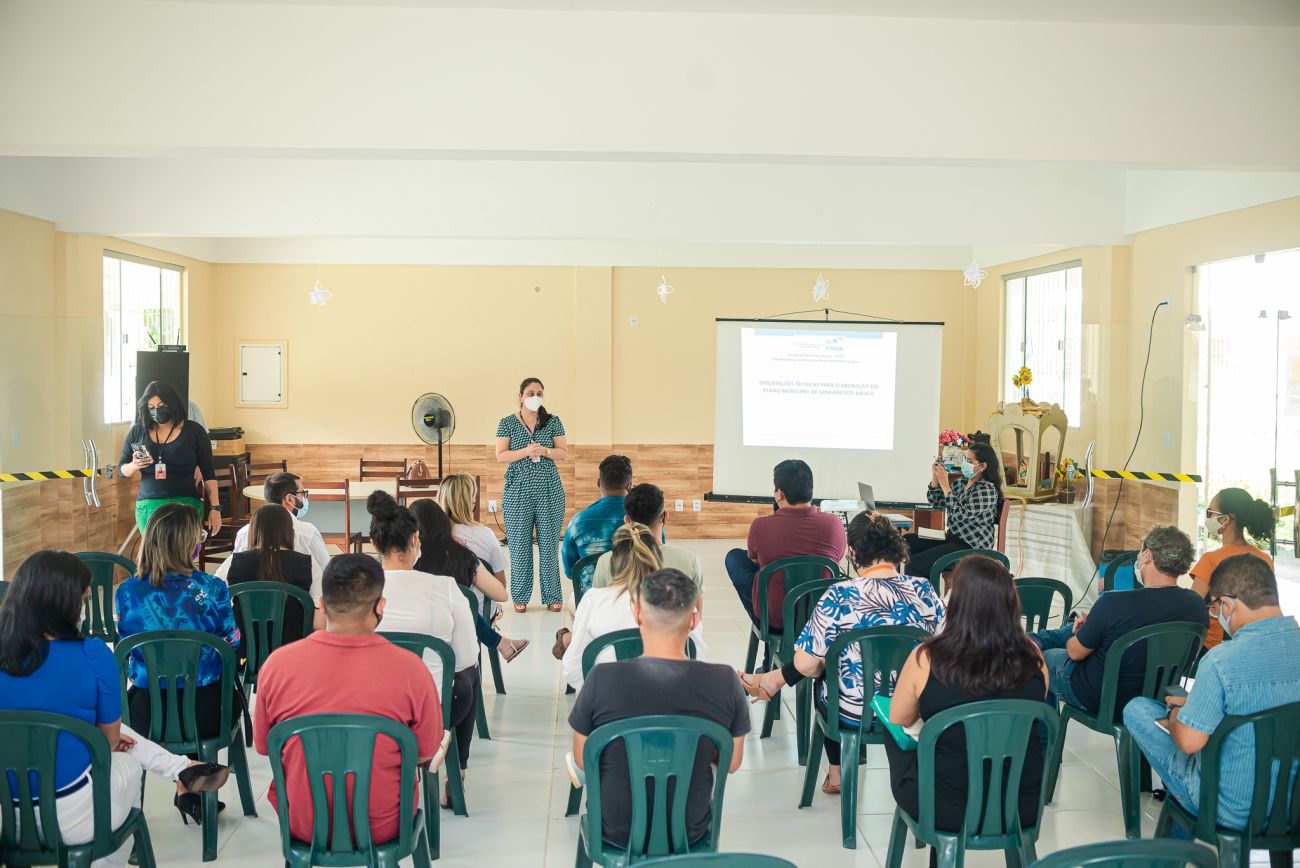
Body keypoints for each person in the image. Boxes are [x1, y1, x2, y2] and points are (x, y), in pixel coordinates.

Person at [0, 551, 231, 862]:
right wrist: (102, 735)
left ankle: (180, 768)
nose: (83, 608)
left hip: (5, 818)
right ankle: (174, 776)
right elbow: (109, 740)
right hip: (70, 817)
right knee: (127, 759)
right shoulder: (92, 653)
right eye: (82, 599)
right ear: (65, 604)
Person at [738, 512, 945, 794]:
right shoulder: (924, 591)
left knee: (821, 669)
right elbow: (946, 648)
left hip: (853, 713)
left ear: (854, 553)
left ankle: (836, 774)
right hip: (915, 710)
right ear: (895, 548)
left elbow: (806, 665)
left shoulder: (839, 595)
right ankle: (773, 680)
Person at [254, 553, 444, 847]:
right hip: (384, 825)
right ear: (380, 606)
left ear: (321, 604)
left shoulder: (276, 665)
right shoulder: (411, 669)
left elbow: (265, 746)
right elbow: (424, 752)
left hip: (302, 823)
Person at [569, 568, 748, 850]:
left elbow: (582, 758)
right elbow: (732, 762)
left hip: (616, 829)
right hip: (688, 830)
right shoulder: (725, 681)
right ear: (694, 620)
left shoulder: (601, 679)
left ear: (637, 613)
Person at [886, 556, 1048, 868]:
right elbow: (1027, 709)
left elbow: (899, 718)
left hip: (944, 809)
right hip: (1019, 806)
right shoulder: (1034, 657)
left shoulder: (927, 657)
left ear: (956, 602)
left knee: (892, 728)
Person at [1124, 555, 1300, 833]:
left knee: (1138, 709)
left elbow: (1189, 742)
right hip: (1294, 809)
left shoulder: (1221, 661)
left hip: (1229, 808)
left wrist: (1177, 712)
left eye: (1216, 610)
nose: (1217, 616)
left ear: (1227, 605)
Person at [115, 501, 241, 815]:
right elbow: (232, 642)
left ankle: (185, 787)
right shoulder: (212, 588)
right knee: (205, 688)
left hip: (146, 711)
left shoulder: (127, 591)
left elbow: (126, 643)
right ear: (188, 543)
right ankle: (189, 787)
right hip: (207, 711)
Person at [366, 490, 478, 806]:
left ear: (374, 544)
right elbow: (466, 657)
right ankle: (456, 774)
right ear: (416, 540)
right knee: (469, 676)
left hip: (370, 706)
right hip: (434, 709)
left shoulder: (359, 589)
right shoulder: (445, 587)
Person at [1030, 524, 1207, 714]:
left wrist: (1083, 633)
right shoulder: (1197, 606)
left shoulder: (1114, 602)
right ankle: (1033, 640)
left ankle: (1030, 646)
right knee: (1082, 627)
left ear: (1147, 555)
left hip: (1101, 697)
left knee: (1041, 657)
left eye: (1140, 552)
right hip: (1159, 696)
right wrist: (1093, 626)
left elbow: (1075, 653)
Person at [724, 459, 845, 626]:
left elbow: (755, 562)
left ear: (779, 494)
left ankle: (764, 627)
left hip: (775, 619)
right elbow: (835, 562)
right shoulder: (835, 524)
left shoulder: (761, 525)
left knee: (735, 557)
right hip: (820, 617)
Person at [410, 497, 529, 662]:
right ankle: (500, 643)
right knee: (461, 603)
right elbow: (501, 594)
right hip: (461, 645)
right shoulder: (463, 556)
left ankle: (500, 642)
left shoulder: (407, 563)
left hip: (414, 645)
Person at [495, 376, 569, 612]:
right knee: (519, 546)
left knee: (549, 546)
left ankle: (552, 596)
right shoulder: (507, 423)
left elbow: (563, 452)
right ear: (520, 396)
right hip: (517, 492)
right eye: (530, 393)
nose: (534, 397)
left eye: (539, 394)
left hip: (549, 491)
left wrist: (544, 450)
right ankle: (520, 596)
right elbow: (501, 455)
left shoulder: (552, 421)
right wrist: (526, 451)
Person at [118, 380, 221, 535]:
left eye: (161, 406)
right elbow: (121, 470)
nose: (156, 411)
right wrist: (134, 465)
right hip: (149, 507)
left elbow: (208, 473)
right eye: (151, 407)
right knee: (153, 550)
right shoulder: (137, 431)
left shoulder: (194, 431)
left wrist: (215, 508)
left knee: (183, 549)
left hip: (186, 506)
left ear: (172, 404)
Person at [216, 503, 324, 642]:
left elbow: (214, 604)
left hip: (243, 652)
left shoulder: (234, 562)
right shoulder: (308, 564)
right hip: (293, 650)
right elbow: (320, 624)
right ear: (290, 532)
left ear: (253, 531)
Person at [903, 440, 1003, 584]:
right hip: (953, 540)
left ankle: (923, 595)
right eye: (965, 459)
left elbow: (960, 515)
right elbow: (937, 502)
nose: (965, 464)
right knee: (907, 542)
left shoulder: (986, 490)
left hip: (972, 548)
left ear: (982, 466)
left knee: (915, 564)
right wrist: (935, 478)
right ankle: (924, 587)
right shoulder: (961, 482)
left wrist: (945, 485)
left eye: (970, 461)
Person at [1191, 487, 1274, 650]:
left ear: (1225, 519)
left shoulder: (1211, 560)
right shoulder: (1265, 559)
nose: (1208, 517)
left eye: (1210, 512)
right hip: (1253, 643)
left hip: (1214, 647)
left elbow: (1192, 606)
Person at [592, 482, 705, 592]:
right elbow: (697, 605)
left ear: (627, 520)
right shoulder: (689, 560)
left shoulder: (605, 562)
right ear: (665, 517)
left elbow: (597, 602)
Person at [232, 471, 330, 570]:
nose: (304, 498)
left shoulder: (243, 533)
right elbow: (326, 569)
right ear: (289, 499)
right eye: (302, 494)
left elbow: (234, 570)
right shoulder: (308, 533)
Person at [561, 454, 633, 576]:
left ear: (599, 483)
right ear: (630, 486)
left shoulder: (577, 522)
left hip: (592, 588)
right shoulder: (647, 519)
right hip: (635, 588)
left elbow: (570, 572)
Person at [438, 472, 506, 584]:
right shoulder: (486, 534)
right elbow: (501, 584)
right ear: (471, 502)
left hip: (444, 595)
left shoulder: (431, 535)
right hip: (481, 596)